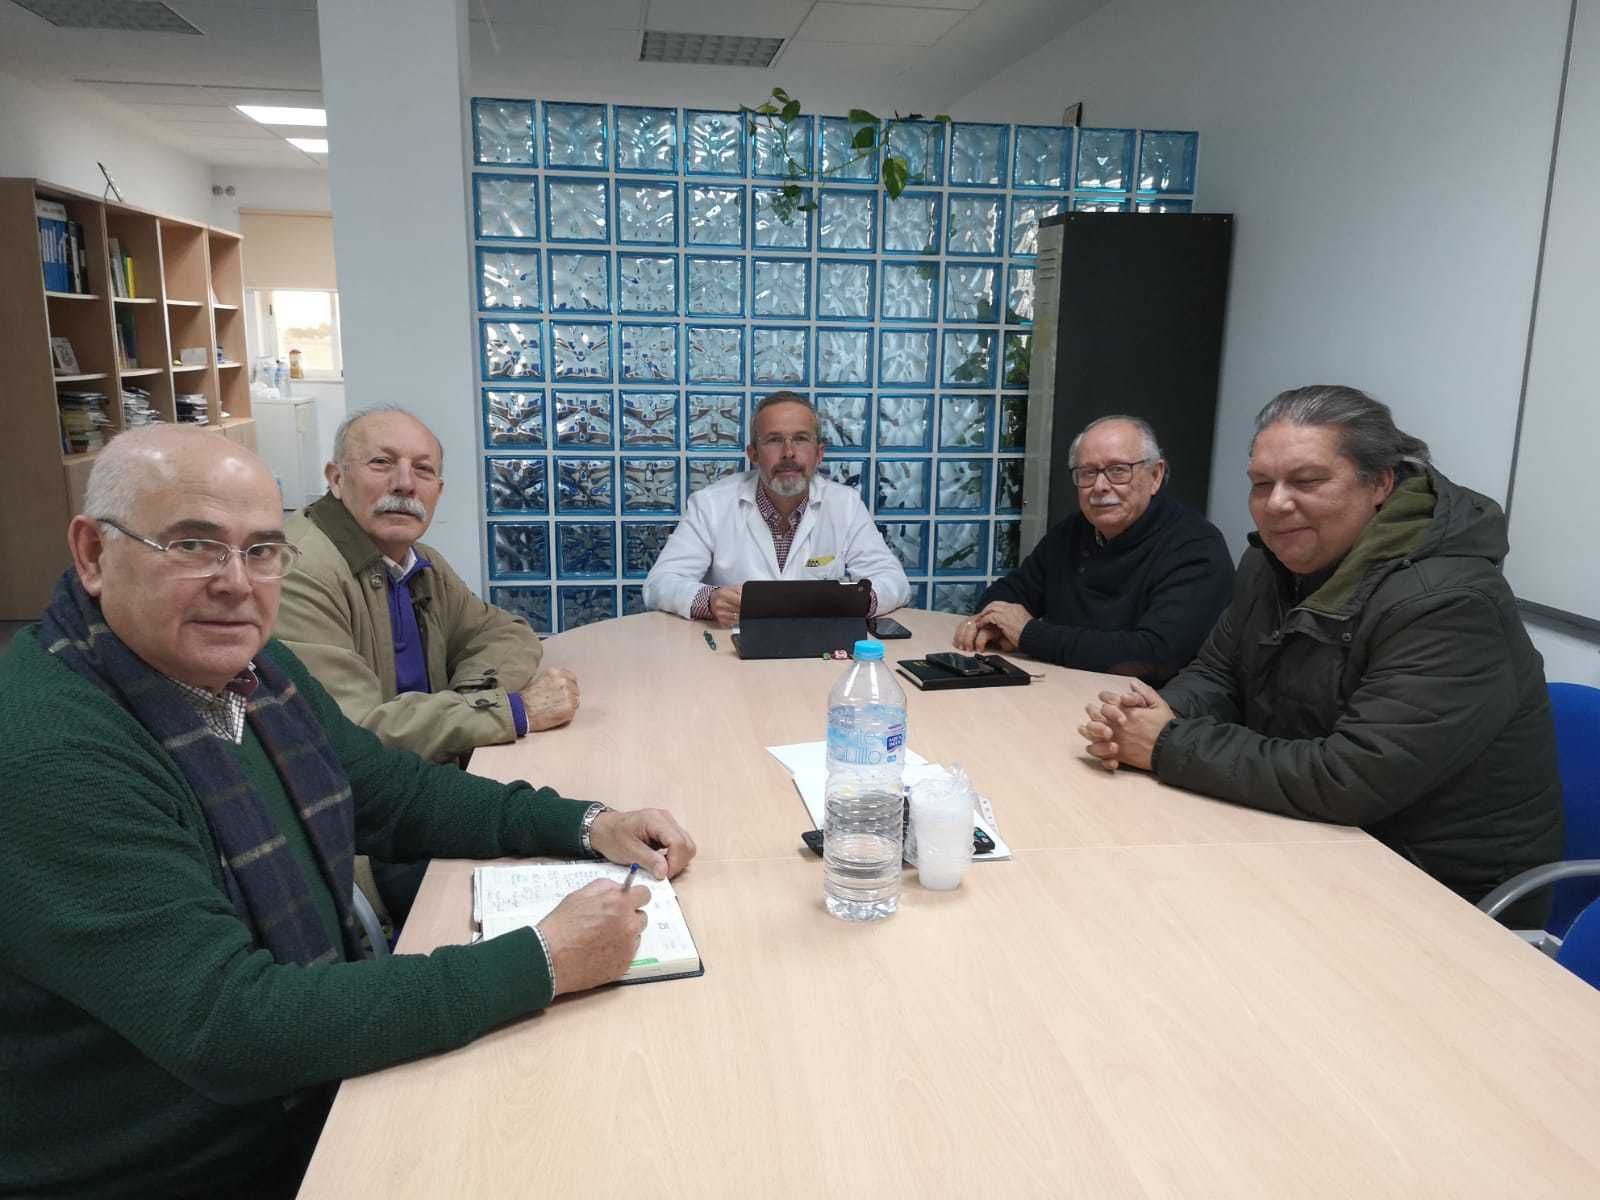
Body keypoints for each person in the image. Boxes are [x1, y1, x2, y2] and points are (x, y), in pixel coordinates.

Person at [0, 427, 696, 1199]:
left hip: (292, 1095)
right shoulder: (51, 753)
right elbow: (231, 1027)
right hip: (188, 1162)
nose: (237, 582)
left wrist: (584, 823)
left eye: (263, 550)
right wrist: (541, 960)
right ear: (93, 554)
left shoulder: (253, 667)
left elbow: (393, 793)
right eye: (195, 545)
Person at [1079, 387, 1563, 922]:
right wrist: (1156, 715)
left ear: (1379, 483)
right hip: (1315, 843)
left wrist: (1167, 743)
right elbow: (1218, 673)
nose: (1277, 503)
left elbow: (1350, 778)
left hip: (1439, 895)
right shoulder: (1271, 561)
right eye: (1261, 484)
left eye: (1306, 481)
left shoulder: (1448, 602)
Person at [276, 406, 579, 766]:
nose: (405, 483)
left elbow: (505, 633)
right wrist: (510, 711)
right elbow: (354, 733)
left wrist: (470, 703)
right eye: (381, 463)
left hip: (421, 777)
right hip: (358, 807)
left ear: (439, 490)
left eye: (423, 469)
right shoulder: (299, 572)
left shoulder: (419, 562)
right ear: (336, 478)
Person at [953, 415, 1233, 684]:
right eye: (1087, 473)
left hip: (1145, 714)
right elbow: (1011, 592)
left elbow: (1153, 656)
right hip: (1065, 690)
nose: (1099, 486)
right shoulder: (1073, 532)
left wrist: (1029, 634)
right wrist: (994, 624)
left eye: (1118, 471)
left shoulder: (1195, 547)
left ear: (1156, 475)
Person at [644, 391, 910, 626]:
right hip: (731, 654)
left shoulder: (845, 505)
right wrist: (710, 600)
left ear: (819, 454)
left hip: (818, 652)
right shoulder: (710, 505)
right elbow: (659, 584)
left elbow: (894, 581)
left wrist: (852, 601)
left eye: (801, 439)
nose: (789, 453)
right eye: (774, 440)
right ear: (753, 454)